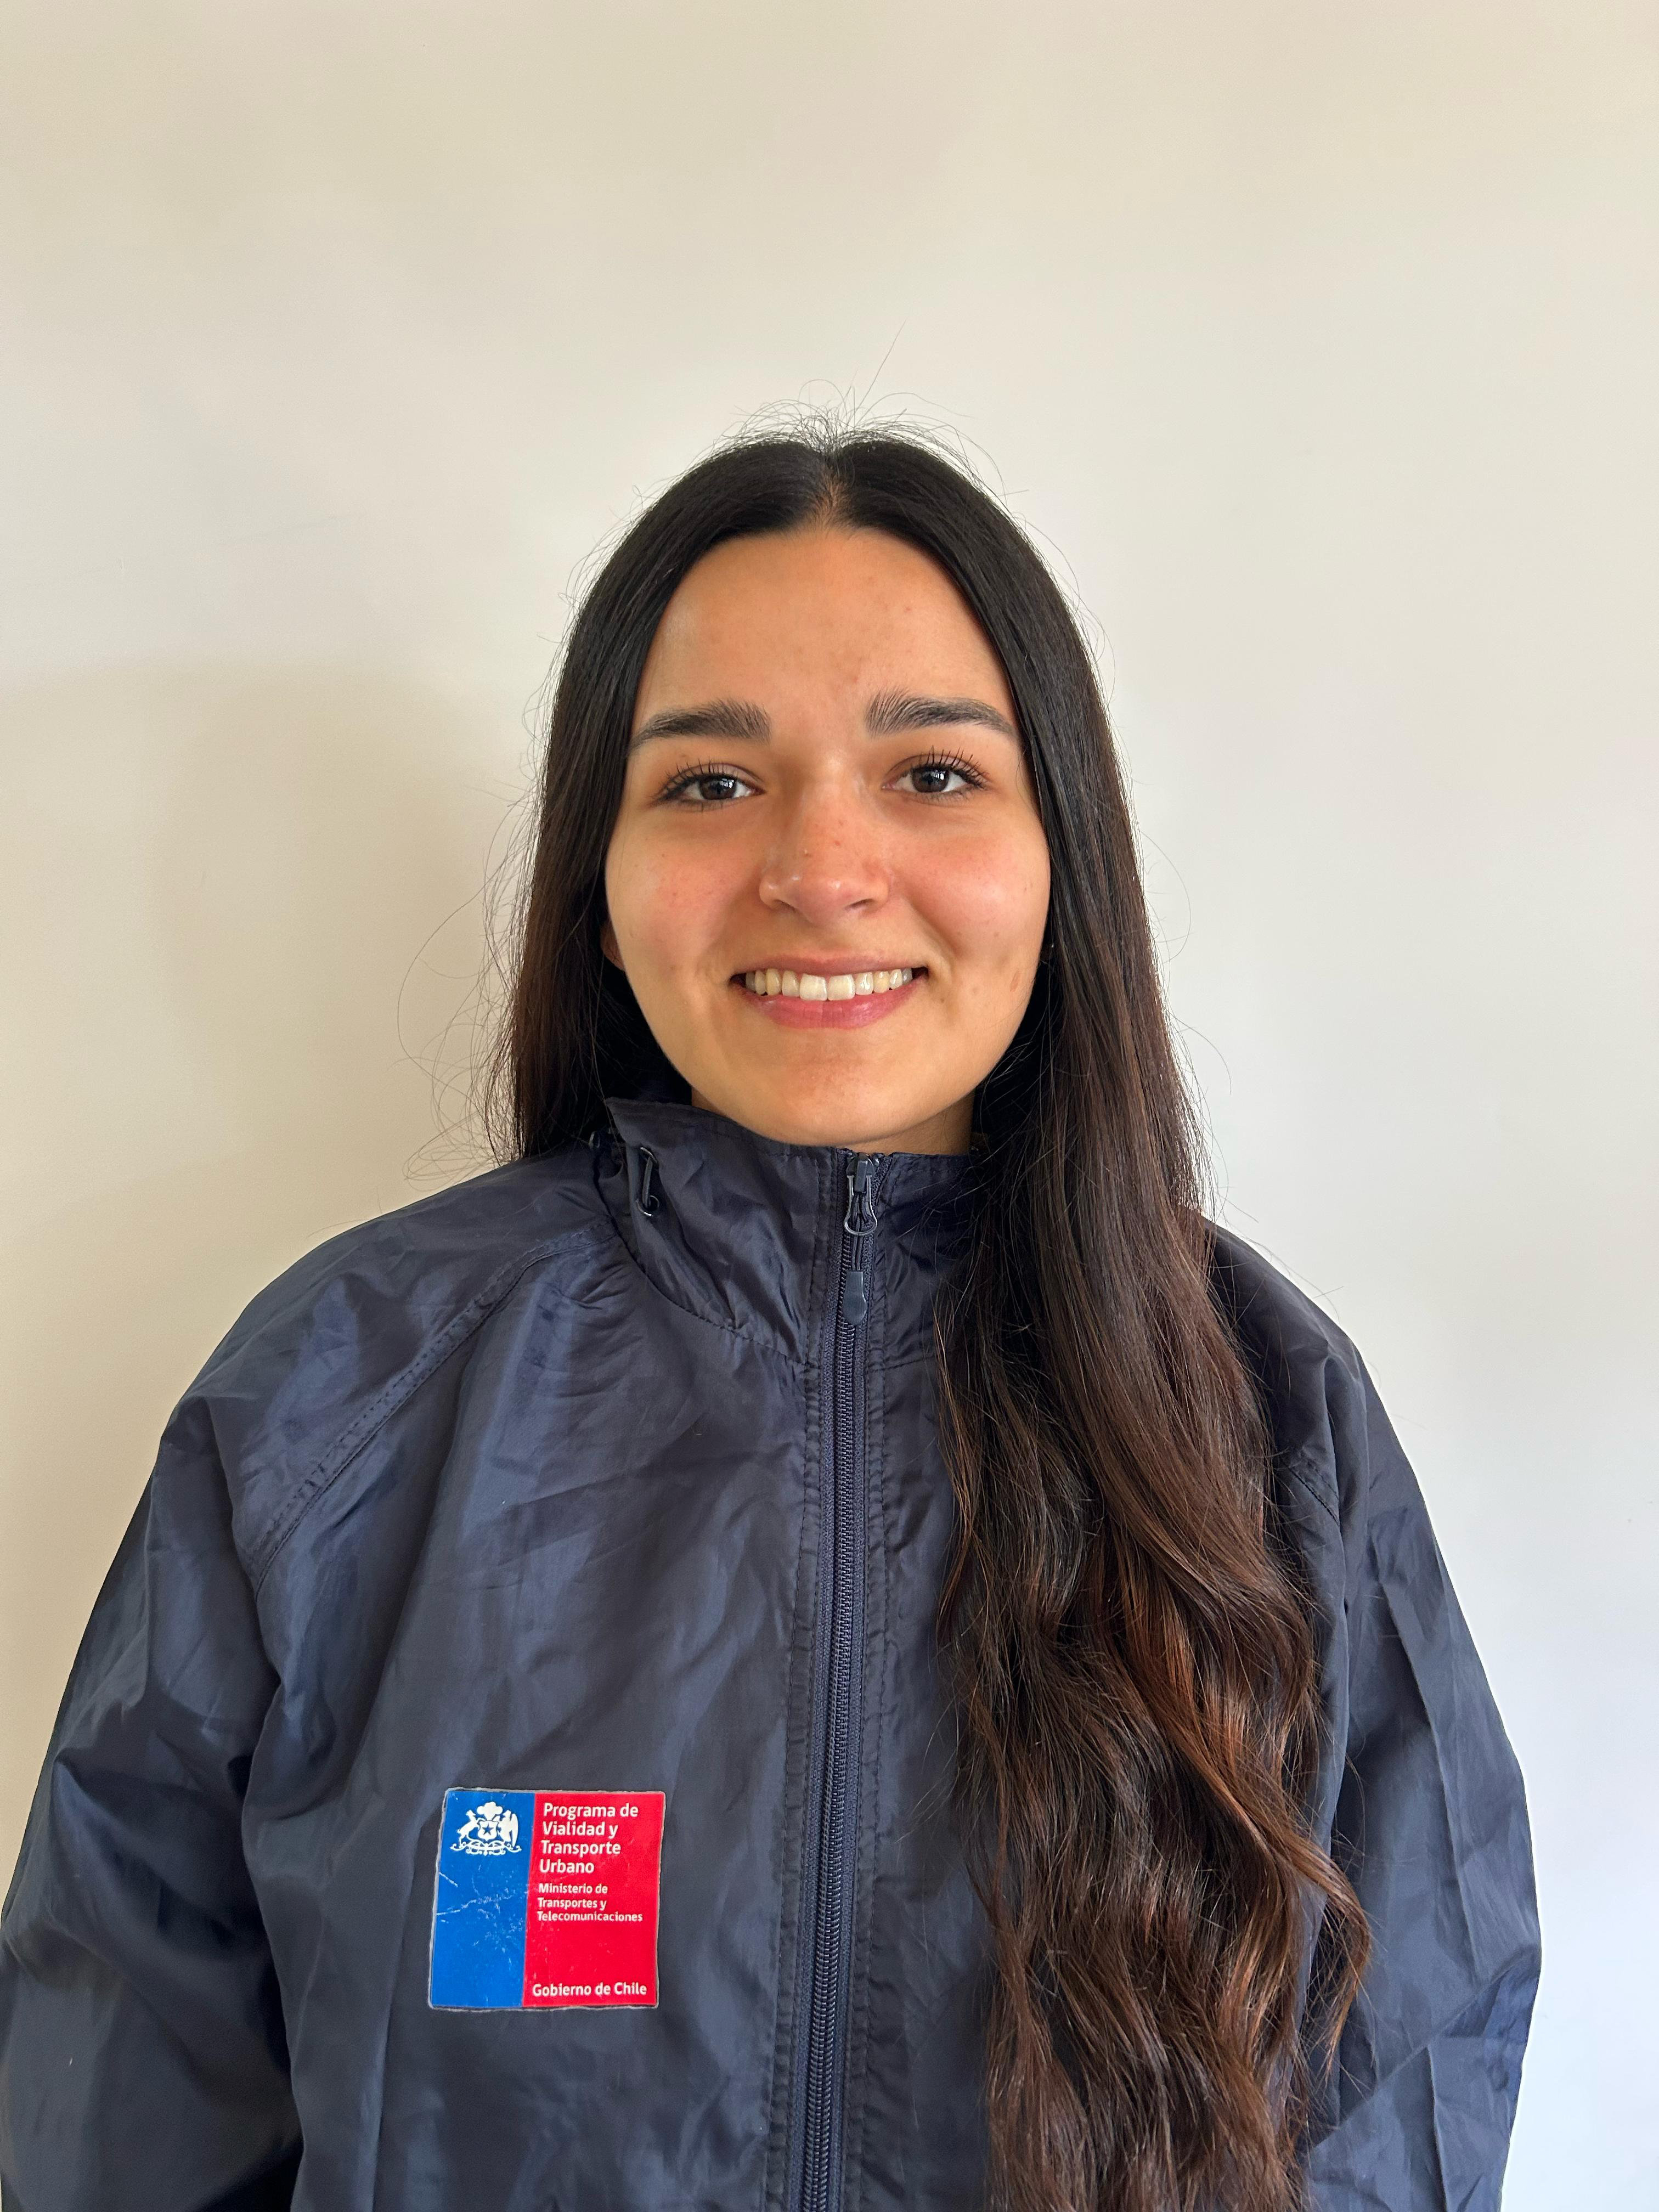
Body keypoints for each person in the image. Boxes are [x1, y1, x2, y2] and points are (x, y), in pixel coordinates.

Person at [0, 427, 1540, 2212]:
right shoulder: (343, 1395)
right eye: (713, 783)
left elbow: (1407, 2077)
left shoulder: (1264, 1410)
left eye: (933, 773)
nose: (821, 867)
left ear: (1061, 857)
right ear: (600, 883)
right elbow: (117, 2091)